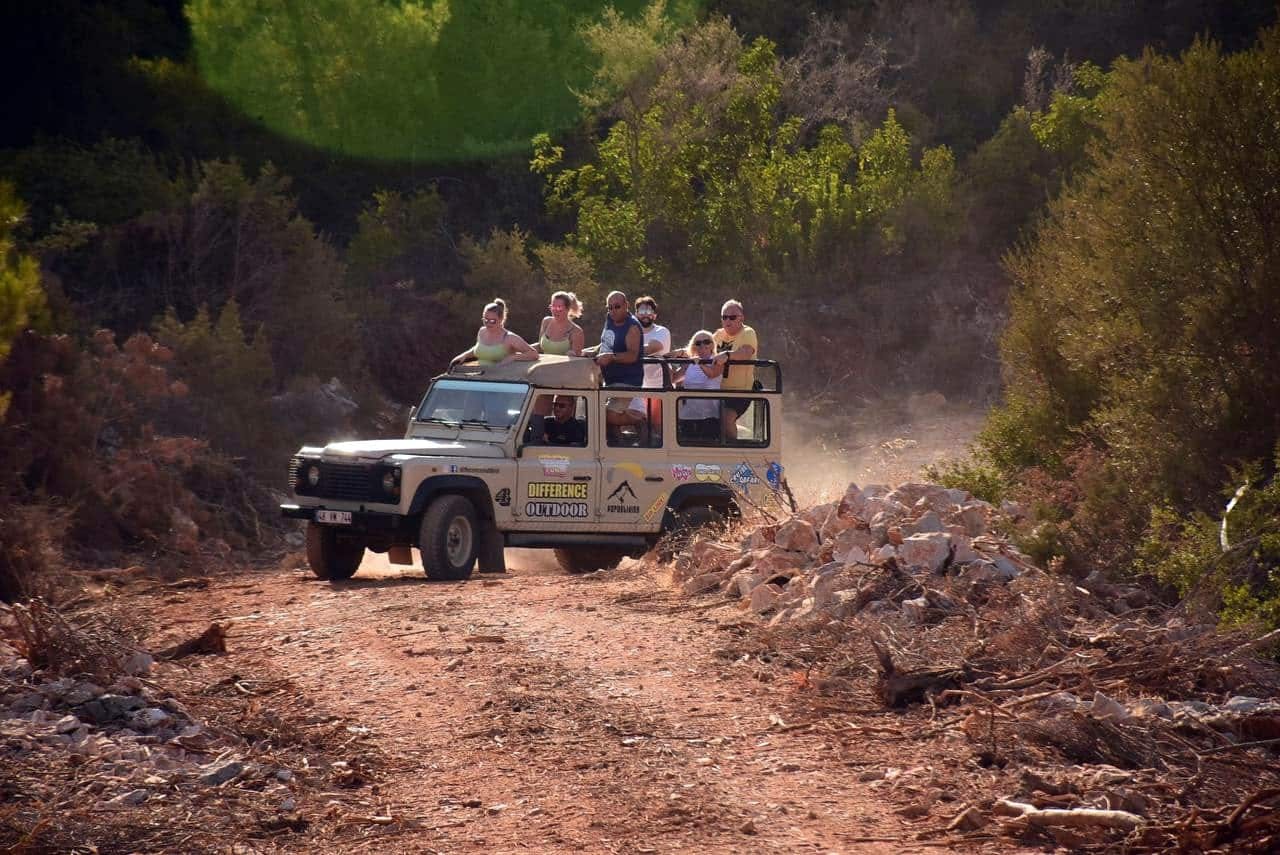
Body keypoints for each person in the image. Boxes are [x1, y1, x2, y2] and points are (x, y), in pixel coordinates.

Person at [713, 298, 758, 435]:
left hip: (740, 391)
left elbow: (746, 353)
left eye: (732, 317)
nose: (728, 320)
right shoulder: (718, 334)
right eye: (724, 317)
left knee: (726, 419)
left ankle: (734, 447)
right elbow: (702, 349)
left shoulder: (748, 332)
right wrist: (682, 353)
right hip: (717, 390)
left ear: (741, 318)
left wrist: (727, 355)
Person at [449, 298, 538, 367]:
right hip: (480, 375)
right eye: (485, 320)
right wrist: (464, 355)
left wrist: (513, 357)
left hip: (500, 379)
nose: (488, 324)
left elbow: (533, 354)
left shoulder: (509, 338)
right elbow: (481, 348)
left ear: (501, 319)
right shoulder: (482, 331)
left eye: (492, 321)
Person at [672, 330, 724, 441]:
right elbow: (674, 378)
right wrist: (666, 360)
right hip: (688, 415)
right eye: (698, 343)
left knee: (707, 446)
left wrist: (700, 363)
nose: (702, 345)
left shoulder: (718, 360)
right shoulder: (689, 363)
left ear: (712, 345)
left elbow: (712, 374)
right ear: (693, 346)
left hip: (710, 415)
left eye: (706, 342)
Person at [533, 291, 586, 356]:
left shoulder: (576, 331)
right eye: (553, 307)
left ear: (568, 308)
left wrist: (572, 354)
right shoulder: (546, 321)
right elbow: (540, 347)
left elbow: (577, 358)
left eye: (559, 307)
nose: (555, 311)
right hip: (544, 362)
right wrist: (525, 348)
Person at [634, 295, 671, 388]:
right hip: (637, 387)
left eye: (649, 311)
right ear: (636, 314)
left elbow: (651, 348)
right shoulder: (630, 333)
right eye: (642, 311)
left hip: (660, 387)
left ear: (654, 315)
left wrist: (623, 351)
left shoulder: (662, 331)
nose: (645, 314)